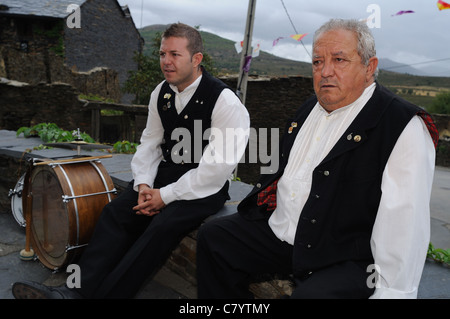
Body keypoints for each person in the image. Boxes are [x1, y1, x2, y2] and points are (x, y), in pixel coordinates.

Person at [196, 19, 438, 299]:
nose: (325, 72)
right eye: (317, 62)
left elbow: (404, 227)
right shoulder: (311, 106)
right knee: (215, 239)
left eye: (339, 60)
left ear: (369, 67)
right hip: (286, 237)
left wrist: (393, 292)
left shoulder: (402, 126)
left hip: (347, 257)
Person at [12, 23, 249, 299]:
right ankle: (72, 292)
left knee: (160, 228)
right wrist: (145, 184)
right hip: (162, 178)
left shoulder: (226, 102)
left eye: (174, 54)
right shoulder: (161, 93)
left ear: (196, 60)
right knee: (116, 214)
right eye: (162, 54)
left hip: (203, 189)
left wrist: (166, 196)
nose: (166, 62)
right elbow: (149, 144)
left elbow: (217, 169)